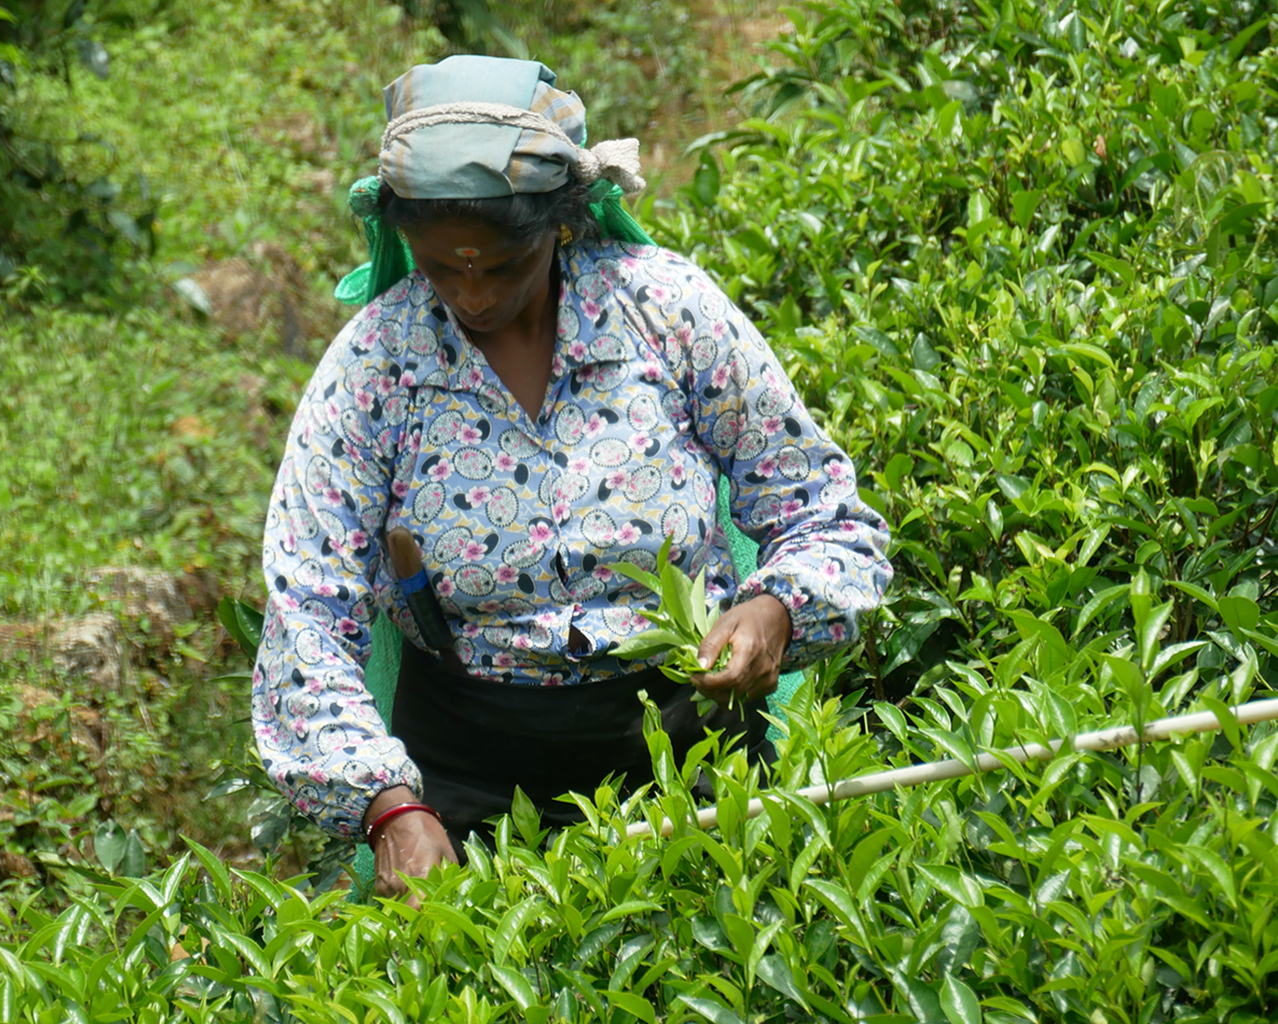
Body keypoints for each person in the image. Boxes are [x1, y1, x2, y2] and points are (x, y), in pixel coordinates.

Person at [252, 55, 892, 901]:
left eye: (501, 264)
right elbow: (306, 611)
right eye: (445, 268)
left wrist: (775, 608)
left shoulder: (667, 314)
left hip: (695, 763)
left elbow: (824, 512)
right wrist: (389, 808)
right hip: (464, 791)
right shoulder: (373, 370)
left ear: (561, 225)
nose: (472, 295)